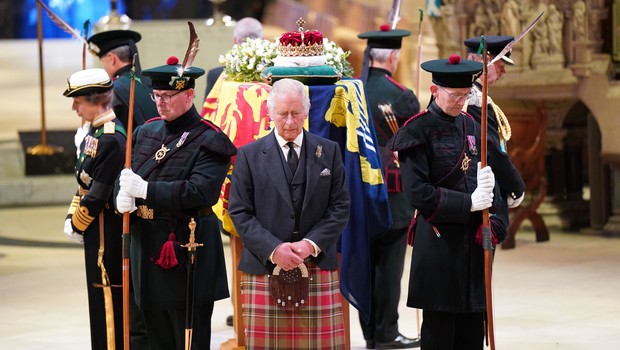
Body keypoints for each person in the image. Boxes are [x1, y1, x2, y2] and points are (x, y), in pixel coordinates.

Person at [115, 56, 236, 350]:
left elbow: (199, 192)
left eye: (168, 96)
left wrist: (145, 189)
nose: (160, 102)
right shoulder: (146, 132)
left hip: (186, 253)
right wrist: (122, 196)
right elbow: (129, 175)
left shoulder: (210, 139)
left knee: (189, 340)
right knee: (155, 338)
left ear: (189, 94)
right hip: (147, 253)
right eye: (156, 96)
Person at [387, 55, 507, 350]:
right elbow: (419, 194)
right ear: (434, 90)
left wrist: (496, 219)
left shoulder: (471, 125)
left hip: (474, 245)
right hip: (440, 245)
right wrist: (468, 203)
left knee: (471, 334)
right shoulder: (415, 132)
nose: (461, 102)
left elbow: (491, 180)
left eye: (466, 96)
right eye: (454, 96)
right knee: (440, 335)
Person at [228, 78, 351, 349]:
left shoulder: (329, 152)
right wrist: (275, 249)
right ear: (270, 113)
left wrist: (310, 245)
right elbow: (239, 212)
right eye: (283, 113)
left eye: (296, 113)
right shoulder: (248, 155)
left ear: (307, 112)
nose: (290, 121)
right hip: (264, 266)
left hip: (317, 263)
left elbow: (340, 207)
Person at [357, 26, 421, 349]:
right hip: (393, 194)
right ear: (394, 57)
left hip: (359, 192)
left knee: (366, 265)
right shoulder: (402, 96)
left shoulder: (352, 90)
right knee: (390, 266)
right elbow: (416, 146)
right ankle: (387, 332)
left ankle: (370, 332)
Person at [62, 68, 127, 350]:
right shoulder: (95, 132)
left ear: (96, 100)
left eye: (78, 101)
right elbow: (84, 185)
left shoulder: (110, 138)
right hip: (96, 230)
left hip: (105, 233)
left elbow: (97, 194)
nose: (74, 108)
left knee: (107, 301)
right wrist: (71, 214)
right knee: (98, 302)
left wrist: (77, 222)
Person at [464, 35, 525, 230]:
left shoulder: (473, 94)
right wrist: (516, 187)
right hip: (480, 191)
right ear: (487, 61)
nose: (504, 71)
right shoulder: (473, 100)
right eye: (501, 65)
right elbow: (492, 149)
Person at [88, 29, 158, 129]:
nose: (104, 67)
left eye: (103, 62)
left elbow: (108, 134)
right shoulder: (152, 81)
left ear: (112, 59)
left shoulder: (112, 90)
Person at [203, 17, 264, 99]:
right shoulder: (272, 76)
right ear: (263, 40)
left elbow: (209, 110)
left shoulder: (215, 76)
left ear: (235, 41)